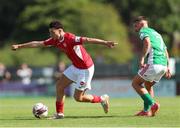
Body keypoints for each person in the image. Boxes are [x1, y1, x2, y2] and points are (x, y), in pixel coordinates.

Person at [12, 20, 117, 119]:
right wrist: (20, 46)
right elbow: (38, 43)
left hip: (86, 69)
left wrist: (105, 43)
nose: (51, 35)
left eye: (52, 32)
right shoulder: (55, 40)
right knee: (59, 86)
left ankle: (102, 99)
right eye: (50, 33)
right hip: (75, 66)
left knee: (78, 98)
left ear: (60, 31)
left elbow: (88, 40)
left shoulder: (70, 38)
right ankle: (59, 113)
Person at [132, 16, 171, 117]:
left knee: (135, 83)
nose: (135, 28)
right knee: (148, 85)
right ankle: (146, 111)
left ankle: (153, 104)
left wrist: (142, 59)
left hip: (154, 63)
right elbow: (165, 50)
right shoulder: (156, 33)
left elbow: (147, 43)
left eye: (136, 25)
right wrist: (168, 66)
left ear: (141, 24)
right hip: (163, 66)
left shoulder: (143, 31)